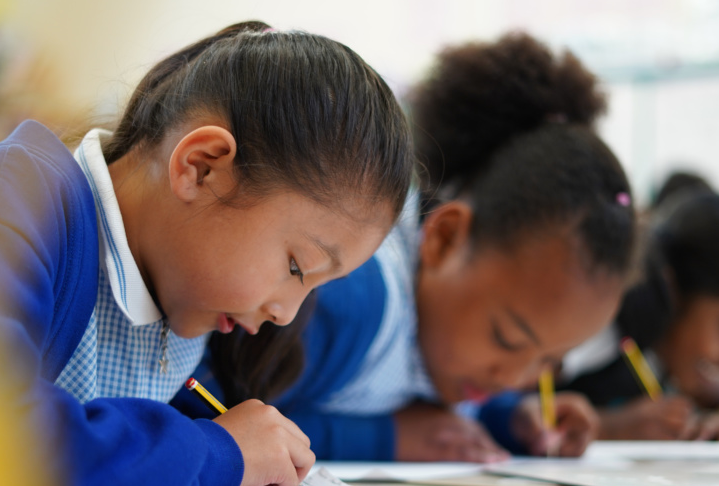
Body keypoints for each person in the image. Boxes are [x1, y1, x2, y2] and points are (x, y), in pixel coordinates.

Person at [0, 21, 413, 486]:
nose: (287, 314)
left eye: (315, 288)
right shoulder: (3, 204)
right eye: (297, 267)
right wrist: (216, 452)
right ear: (201, 168)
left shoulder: (179, 302)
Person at [179, 33, 637, 462]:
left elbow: (448, 412)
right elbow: (204, 409)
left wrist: (512, 421)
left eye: (548, 363)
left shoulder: (459, 352)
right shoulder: (348, 304)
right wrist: (389, 437)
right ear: (444, 239)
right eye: (507, 339)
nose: (513, 378)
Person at [558, 189, 719, 446]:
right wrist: (610, 427)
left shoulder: (663, 357)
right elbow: (517, 411)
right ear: (672, 289)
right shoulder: (592, 331)